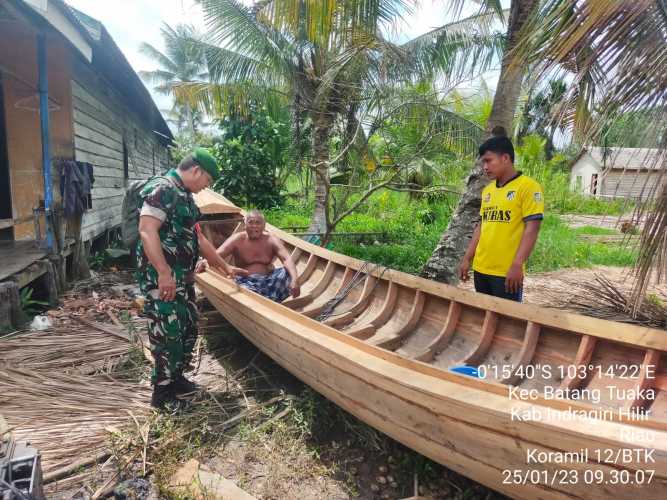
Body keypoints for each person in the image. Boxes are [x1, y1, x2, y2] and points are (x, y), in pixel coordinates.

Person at [136, 148, 246, 409]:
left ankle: (176, 379)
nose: (205, 187)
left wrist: (225, 268)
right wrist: (163, 273)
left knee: (187, 329)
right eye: (207, 180)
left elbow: (198, 237)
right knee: (167, 333)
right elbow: (146, 230)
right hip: (162, 280)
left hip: (183, 279)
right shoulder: (162, 189)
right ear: (196, 170)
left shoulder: (184, 195)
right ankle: (161, 396)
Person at [458, 136, 544, 302]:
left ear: (505, 158)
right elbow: (481, 227)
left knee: (508, 322)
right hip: (481, 270)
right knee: (485, 316)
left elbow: (532, 228)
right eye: (483, 162)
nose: (485, 167)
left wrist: (518, 264)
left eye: (489, 161)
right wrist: (467, 258)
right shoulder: (488, 191)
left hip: (506, 273)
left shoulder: (528, 187)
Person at [197, 210, 300, 302]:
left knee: (288, 273)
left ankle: (269, 301)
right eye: (250, 222)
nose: (254, 226)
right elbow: (217, 255)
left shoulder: (271, 239)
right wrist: (205, 262)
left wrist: (295, 280)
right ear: (245, 224)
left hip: (268, 282)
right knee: (244, 292)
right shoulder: (237, 239)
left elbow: (286, 258)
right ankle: (263, 301)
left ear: (264, 226)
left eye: (258, 223)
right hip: (246, 283)